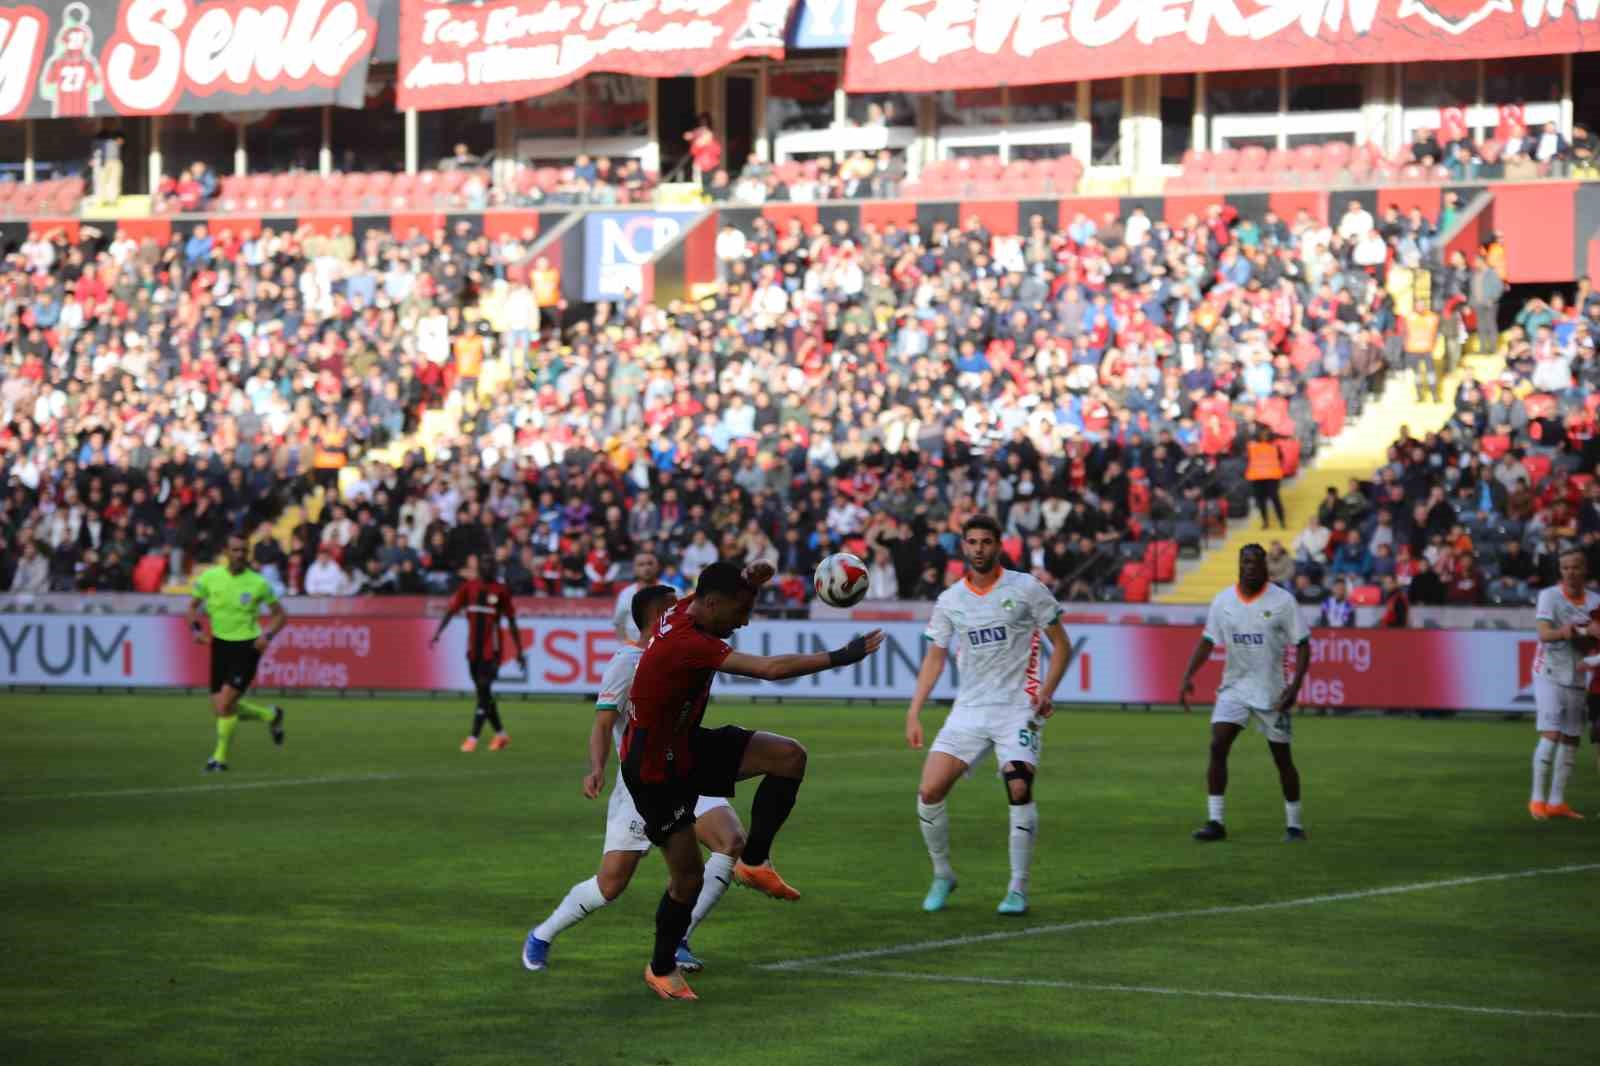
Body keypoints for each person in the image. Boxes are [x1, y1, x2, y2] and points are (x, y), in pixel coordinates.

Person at [620, 561, 884, 1000]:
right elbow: (771, 669)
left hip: (686, 743)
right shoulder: (688, 642)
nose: (744, 620)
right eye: (740, 610)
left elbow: (714, 581)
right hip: (654, 771)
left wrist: (748, 579)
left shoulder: (686, 609)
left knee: (788, 757)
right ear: (712, 604)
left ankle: (754, 862)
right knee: (687, 880)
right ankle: (661, 967)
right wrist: (842, 655)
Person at [524, 585, 746, 975]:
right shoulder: (628, 662)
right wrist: (596, 767)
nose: (685, 609)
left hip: (684, 769)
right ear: (656, 615)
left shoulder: (681, 648)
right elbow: (603, 721)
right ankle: (542, 934)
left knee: (731, 842)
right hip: (641, 784)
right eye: (675, 605)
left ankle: (678, 939)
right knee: (611, 885)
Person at [903, 514, 1071, 917]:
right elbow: (935, 657)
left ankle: (1017, 888)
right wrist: (914, 711)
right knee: (928, 793)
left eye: (986, 542)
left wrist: (1046, 691)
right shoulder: (950, 601)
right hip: (969, 711)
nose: (979, 549)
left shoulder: (1027, 588)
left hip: (1018, 709)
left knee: (1018, 787)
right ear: (963, 546)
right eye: (972, 542)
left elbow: (1062, 646)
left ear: (999, 545)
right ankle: (943, 874)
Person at [1178, 544, 1312, 842]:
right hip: (1234, 687)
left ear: (1265, 566)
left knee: (1282, 758)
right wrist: (1188, 675)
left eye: (1254, 562)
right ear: (1239, 565)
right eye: (1244, 562)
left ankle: (1294, 825)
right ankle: (1215, 822)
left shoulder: (1283, 601)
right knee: (1218, 745)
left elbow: (1303, 644)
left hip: (1271, 691)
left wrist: (1294, 687)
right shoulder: (1224, 601)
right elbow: (1208, 641)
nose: (1249, 567)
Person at [186, 534, 287, 772]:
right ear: (226, 552)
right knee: (220, 707)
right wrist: (196, 630)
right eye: (235, 550)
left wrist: (267, 636)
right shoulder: (210, 578)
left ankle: (219, 759)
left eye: (244, 550)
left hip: (247, 647)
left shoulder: (258, 583)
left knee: (225, 704)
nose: (240, 555)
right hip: (220, 646)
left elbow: (280, 615)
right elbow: (191, 608)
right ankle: (269, 716)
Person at [1527, 550, 1597, 821]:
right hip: (1548, 672)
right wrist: (1574, 632)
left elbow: (1594, 639)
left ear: (1585, 569)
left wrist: (1586, 638)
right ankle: (1537, 799)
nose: (1569, 572)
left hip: (1577, 675)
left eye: (1575, 567)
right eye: (1565, 568)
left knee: (1571, 737)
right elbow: (1544, 634)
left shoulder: (1595, 601)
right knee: (1551, 733)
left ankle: (1557, 801)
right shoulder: (1549, 596)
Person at [431, 555, 524, 753]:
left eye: (491, 565)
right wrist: (438, 633)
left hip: (493, 651)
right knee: (484, 694)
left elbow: (512, 622)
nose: (488, 568)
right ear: (479, 568)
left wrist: (519, 651)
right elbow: (451, 610)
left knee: (483, 689)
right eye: (484, 565)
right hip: (473, 651)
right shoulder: (469, 588)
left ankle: (472, 738)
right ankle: (501, 735)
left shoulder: (501, 591)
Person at [612, 551, 662, 643]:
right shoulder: (626, 594)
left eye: (650, 563)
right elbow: (619, 624)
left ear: (658, 566)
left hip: (665, 649)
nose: (646, 568)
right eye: (641, 565)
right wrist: (626, 644)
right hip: (635, 649)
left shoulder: (674, 592)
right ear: (634, 569)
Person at [1245, 424, 1286, 529]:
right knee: (1261, 501)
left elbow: (1280, 458)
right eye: (1262, 433)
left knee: (1275, 499)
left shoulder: (1274, 447)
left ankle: (1282, 521)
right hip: (1258, 477)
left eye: (1266, 433)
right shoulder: (1253, 446)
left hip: (1271, 477)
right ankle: (1265, 522)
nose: (1264, 435)